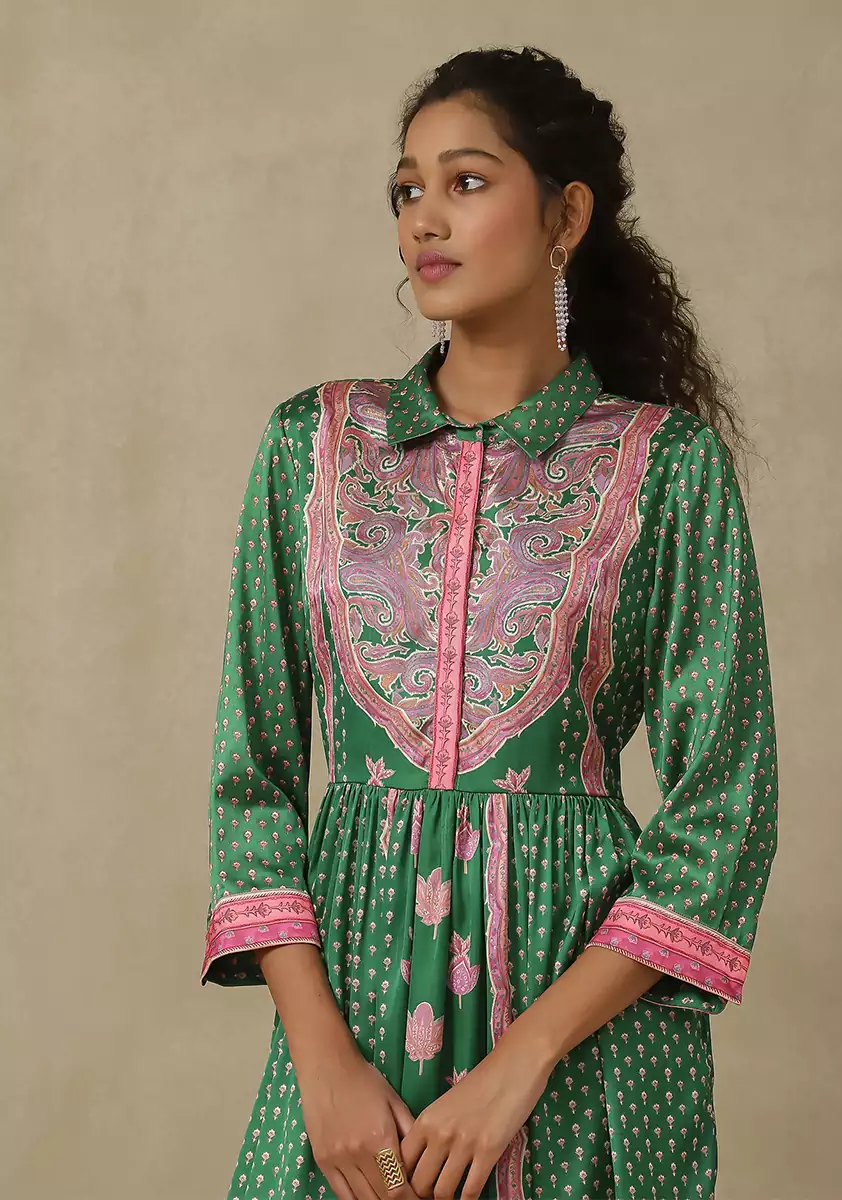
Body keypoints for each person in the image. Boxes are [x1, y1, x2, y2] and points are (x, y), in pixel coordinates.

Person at [200, 44, 779, 1200]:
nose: (425, 218)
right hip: (355, 1023)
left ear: (566, 216)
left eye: (466, 181)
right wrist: (320, 1062)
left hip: (580, 1041)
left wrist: (525, 1061)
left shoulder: (664, 466)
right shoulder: (312, 447)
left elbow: (724, 803)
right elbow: (250, 779)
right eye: (406, 189)